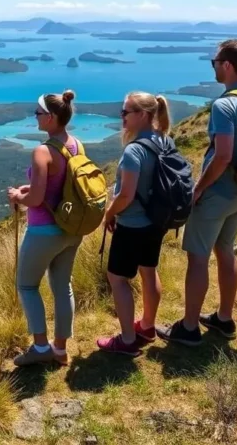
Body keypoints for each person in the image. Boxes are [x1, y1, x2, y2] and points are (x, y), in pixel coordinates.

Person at [157, 39, 237, 347]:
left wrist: (199, 189)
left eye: (214, 62)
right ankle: (224, 319)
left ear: (227, 66)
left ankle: (188, 328)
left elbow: (222, 155)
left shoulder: (224, 105)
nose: (213, 67)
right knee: (225, 250)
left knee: (197, 258)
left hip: (217, 194)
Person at [7, 89, 83, 366]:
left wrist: (18, 196)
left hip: (44, 230)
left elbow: (37, 199)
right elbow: (62, 185)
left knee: (27, 285)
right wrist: (32, 189)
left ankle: (40, 349)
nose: (35, 117)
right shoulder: (76, 144)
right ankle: (60, 349)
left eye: (38, 113)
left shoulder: (42, 151)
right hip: (72, 229)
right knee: (63, 286)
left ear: (50, 118)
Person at [96, 92, 173, 356]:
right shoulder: (165, 140)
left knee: (117, 278)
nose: (121, 116)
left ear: (142, 115)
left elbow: (126, 194)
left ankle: (128, 340)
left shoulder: (134, 150)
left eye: (125, 112)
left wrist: (109, 213)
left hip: (132, 224)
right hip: (156, 221)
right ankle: (148, 327)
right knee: (148, 270)